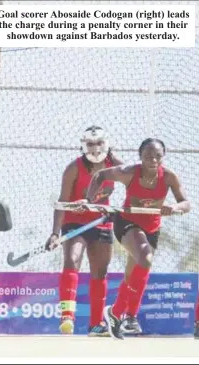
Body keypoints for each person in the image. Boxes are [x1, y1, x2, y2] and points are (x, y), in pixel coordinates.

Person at [84, 138, 191, 340]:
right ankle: (129, 316)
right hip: (127, 223)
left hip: (152, 229)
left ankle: (116, 313)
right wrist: (89, 201)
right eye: (148, 156)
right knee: (145, 256)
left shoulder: (169, 177)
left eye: (158, 156)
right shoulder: (129, 172)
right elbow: (100, 175)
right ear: (140, 157)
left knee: (133, 273)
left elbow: (186, 203)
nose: (153, 159)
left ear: (163, 157)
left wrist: (175, 208)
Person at [45, 125, 123, 336]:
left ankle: (96, 324)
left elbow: (134, 181)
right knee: (72, 259)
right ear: (83, 145)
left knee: (100, 271)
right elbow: (61, 202)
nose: (96, 148)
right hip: (75, 222)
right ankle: (67, 317)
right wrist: (54, 233)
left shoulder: (114, 165)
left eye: (99, 143)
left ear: (106, 144)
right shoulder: (74, 168)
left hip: (102, 221)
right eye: (90, 144)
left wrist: (121, 210)